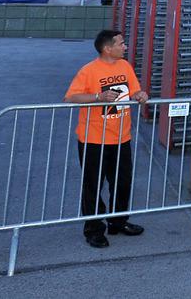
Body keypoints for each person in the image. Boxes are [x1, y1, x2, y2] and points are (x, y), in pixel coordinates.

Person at [65, 29, 149, 248]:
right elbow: (71, 97)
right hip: (94, 139)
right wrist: (97, 97)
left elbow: (135, 90)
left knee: (122, 183)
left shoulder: (125, 66)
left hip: (122, 138)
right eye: (121, 43)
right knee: (93, 186)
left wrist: (140, 95)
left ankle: (118, 222)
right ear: (107, 48)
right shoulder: (88, 71)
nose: (125, 46)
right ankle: (93, 229)